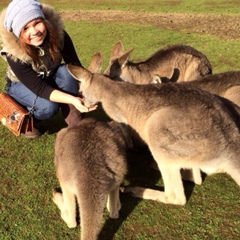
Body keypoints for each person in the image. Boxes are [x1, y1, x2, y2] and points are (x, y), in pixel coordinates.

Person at [0, 0, 96, 138]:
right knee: (49, 107)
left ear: (44, 20)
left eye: (37, 23)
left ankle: (77, 123)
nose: (34, 31)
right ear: (17, 32)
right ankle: (23, 118)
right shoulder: (13, 53)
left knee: (69, 72)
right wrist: (72, 99)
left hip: (48, 75)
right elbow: (40, 88)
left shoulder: (59, 35)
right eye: (25, 28)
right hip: (21, 85)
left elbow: (76, 66)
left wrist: (90, 91)